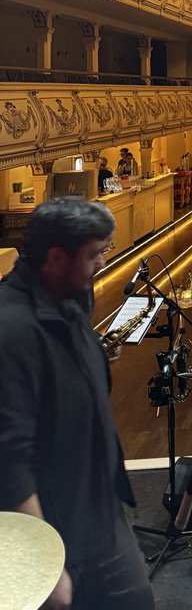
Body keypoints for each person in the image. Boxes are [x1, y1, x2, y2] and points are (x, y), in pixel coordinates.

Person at [0, 197, 155, 610]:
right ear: (55, 257)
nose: (103, 263)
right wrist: (40, 564)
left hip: (101, 507)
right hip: (60, 528)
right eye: (94, 254)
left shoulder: (71, 297)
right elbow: (8, 459)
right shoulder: (11, 331)